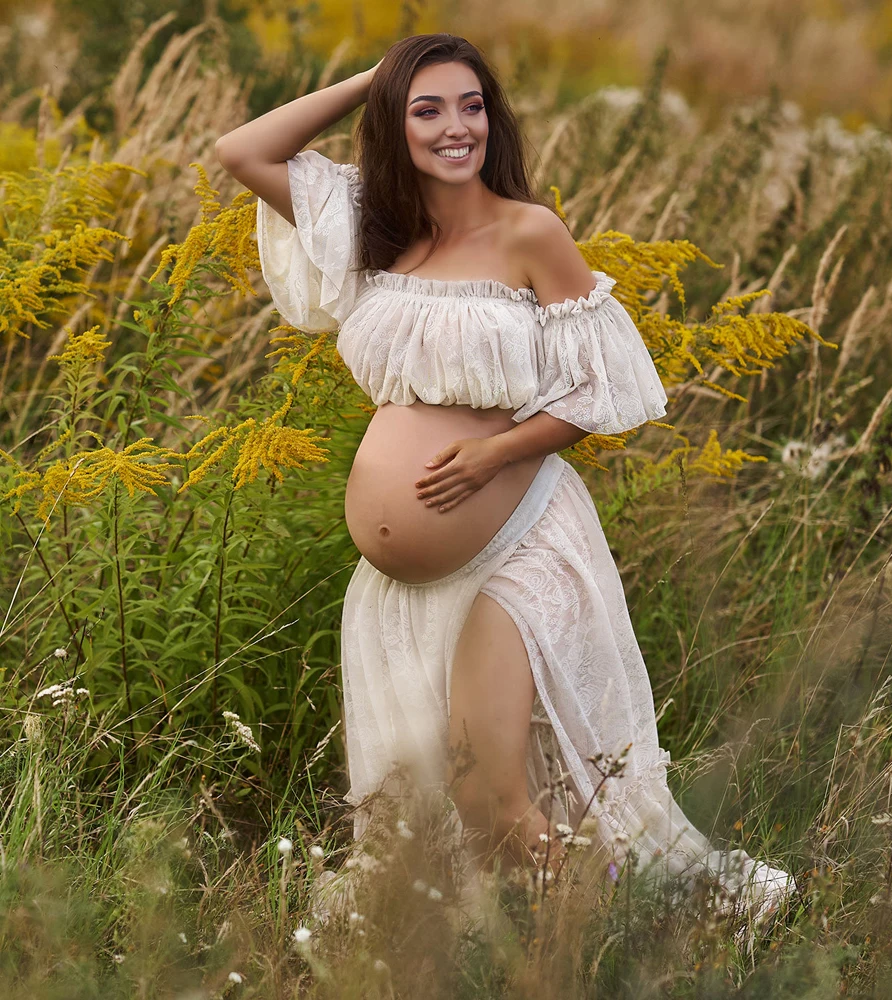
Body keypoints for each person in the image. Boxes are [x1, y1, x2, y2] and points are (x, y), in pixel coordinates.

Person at [216, 32, 795, 925]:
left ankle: (636, 925)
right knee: (447, 825)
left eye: (472, 105)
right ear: (393, 122)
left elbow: (607, 390)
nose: (458, 127)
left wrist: (494, 453)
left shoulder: (531, 233)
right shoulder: (374, 226)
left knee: (489, 801)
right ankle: (566, 939)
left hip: (518, 552)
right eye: (429, 108)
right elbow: (242, 150)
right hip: (403, 591)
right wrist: (383, 73)